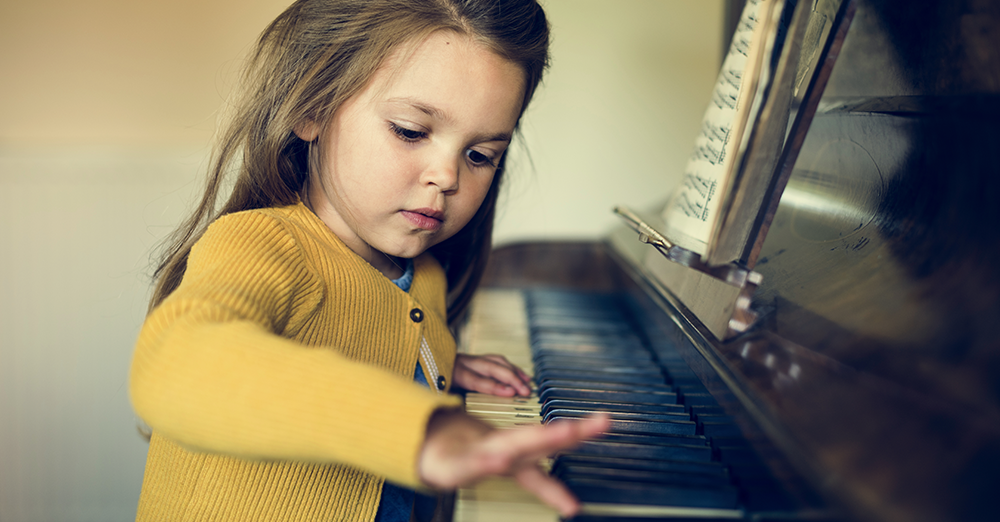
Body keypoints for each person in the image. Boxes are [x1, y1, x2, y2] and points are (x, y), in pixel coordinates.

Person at [128, 1, 609, 521]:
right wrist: (423, 427)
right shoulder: (263, 243)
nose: (447, 176)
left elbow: (366, 328)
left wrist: (429, 364)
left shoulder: (424, 274)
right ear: (312, 107)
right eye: (410, 130)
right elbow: (178, 361)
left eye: (480, 155)